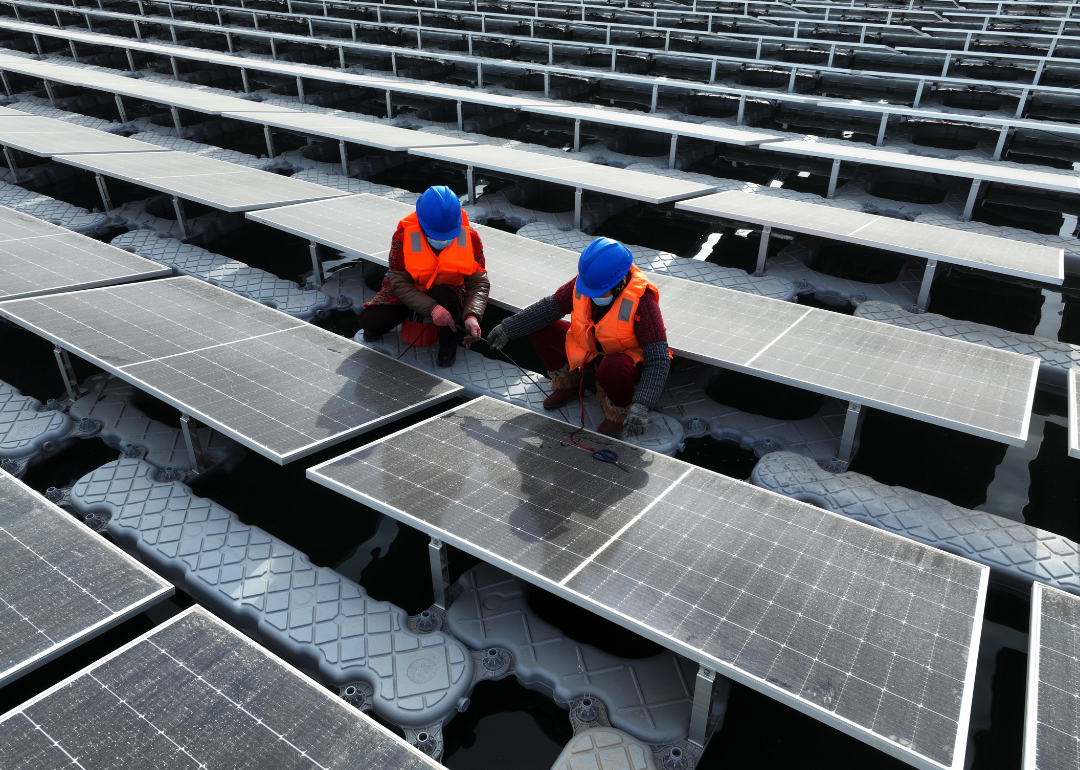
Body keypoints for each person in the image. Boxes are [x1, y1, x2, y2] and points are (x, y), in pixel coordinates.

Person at [486, 237, 671, 437]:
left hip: (623, 362)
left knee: (614, 367)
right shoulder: (586, 282)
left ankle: (619, 411)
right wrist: (508, 328)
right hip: (590, 350)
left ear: (620, 282)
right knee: (541, 329)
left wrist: (642, 405)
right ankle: (568, 385)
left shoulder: (643, 301)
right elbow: (550, 307)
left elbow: (659, 358)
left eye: (599, 292)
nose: (592, 296)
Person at [358, 186, 490, 367]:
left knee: (445, 294)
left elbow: (478, 282)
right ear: (421, 223)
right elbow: (398, 280)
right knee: (370, 323)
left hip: (447, 290)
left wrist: (472, 316)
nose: (442, 241)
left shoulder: (472, 238)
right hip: (409, 289)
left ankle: (448, 340)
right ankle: (409, 312)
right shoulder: (403, 236)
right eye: (436, 235)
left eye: (448, 236)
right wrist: (432, 309)